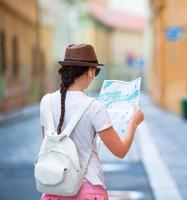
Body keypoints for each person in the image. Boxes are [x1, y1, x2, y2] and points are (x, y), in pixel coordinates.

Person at [39, 43, 144, 200]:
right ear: (89, 72)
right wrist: (133, 124)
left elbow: (48, 142)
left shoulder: (46, 102)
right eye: (97, 71)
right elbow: (120, 151)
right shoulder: (94, 107)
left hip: (55, 186)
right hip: (88, 187)